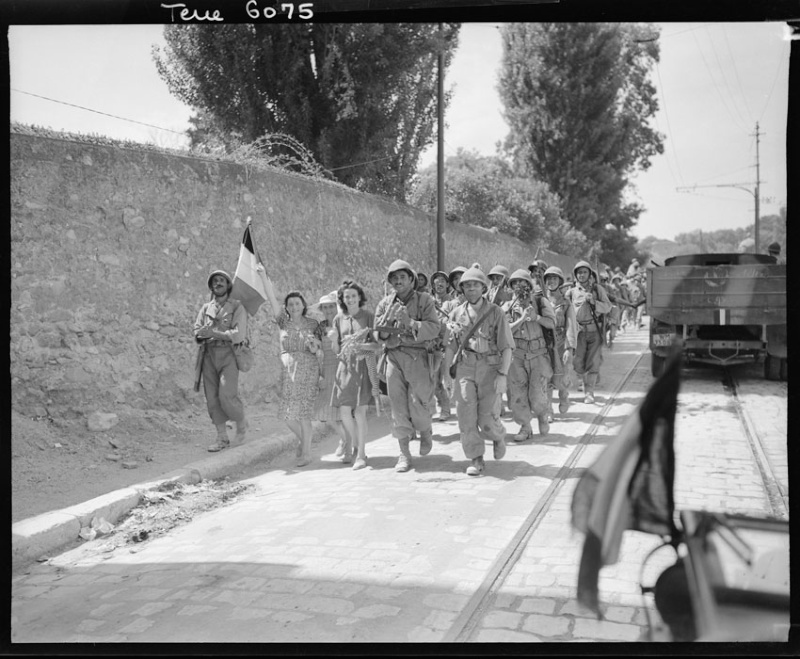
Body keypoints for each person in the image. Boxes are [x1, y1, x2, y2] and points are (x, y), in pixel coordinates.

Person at [442, 267, 514, 476]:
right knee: (465, 415)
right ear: (461, 288)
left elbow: (507, 347)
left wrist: (502, 375)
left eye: (475, 284)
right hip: (465, 366)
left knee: (487, 418)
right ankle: (476, 457)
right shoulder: (456, 313)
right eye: (467, 285)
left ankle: (498, 436)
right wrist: (447, 375)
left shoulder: (496, 312)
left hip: (490, 368)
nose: (471, 288)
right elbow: (450, 347)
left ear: (483, 288)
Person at [374, 260, 442, 472]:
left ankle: (425, 430)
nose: (398, 281)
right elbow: (378, 335)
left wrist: (410, 322)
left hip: (418, 357)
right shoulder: (385, 303)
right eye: (394, 278)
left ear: (412, 279)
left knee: (419, 402)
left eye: (402, 277)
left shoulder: (425, 301)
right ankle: (403, 452)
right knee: (397, 405)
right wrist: (386, 324)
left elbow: (434, 329)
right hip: (394, 357)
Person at [260, 266, 323, 467]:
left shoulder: (314, 324)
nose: (294, 306)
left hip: (308, 371)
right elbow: (271, 299)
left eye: (297, 303)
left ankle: (306, 453)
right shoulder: (283, 323)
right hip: (289, 373)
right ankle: (305, 442)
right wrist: (263, 276)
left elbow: (320, 350)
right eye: (290, 303)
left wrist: (314, 347)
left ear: (303, 305)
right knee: (288, 416)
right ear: (286, 307)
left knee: (303, 414)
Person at [194, 270, 249, 452]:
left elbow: (238, 334)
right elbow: (197, 329)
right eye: (215, 281)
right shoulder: (205, 308)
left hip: (228, 355)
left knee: (227, 395)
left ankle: (241, 424)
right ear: (211, 286)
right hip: (208, 355)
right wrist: (200, 335)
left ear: (228, 285)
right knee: (212, 399)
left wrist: (213, 333)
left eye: (221, 281)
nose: (218, 283)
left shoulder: (236, 307)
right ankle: (221, 437)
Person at [502, 269, 556, 440]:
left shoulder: (540, 302)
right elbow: (504, 330)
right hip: (516, 355)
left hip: (538, 355)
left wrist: (536, 318)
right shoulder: (507, 307)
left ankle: (542, 415)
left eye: (522, 282)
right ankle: (525, 427)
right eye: (515, 283)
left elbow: (552, 323)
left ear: (529, 285)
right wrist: (521, 319)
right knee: (518, 394)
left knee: (537, 394)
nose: (519, 286)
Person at [330, 280, 377, 471]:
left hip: (363, 367)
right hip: (344, 369)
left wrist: (360, 346)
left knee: (359, 412)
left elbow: (377, 345)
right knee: (344, 412)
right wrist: (334, 340)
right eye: (346, 296)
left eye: (353, 296)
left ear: (359, 298)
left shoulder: (368, 316)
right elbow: (336, 350)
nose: (349, 299)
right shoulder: (338, 319)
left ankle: (361, 454)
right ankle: (356, 444)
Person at [564, 261, 612, 404]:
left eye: (585, 272)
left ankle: (589, 392)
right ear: (576, 275)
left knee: (593, 363)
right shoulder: (571, 292)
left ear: (589, 274)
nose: (582, 275)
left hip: (594, 331)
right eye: (579, 272)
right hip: (578, 333)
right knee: (578, 363)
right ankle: (581, 382)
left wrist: (594, 303)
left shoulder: (597, 290)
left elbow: (608, 307)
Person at [314, 291, 352, 464]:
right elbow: (316, 351)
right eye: (325, 307)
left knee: (343, 412)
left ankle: (349, 447)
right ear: (321, 309)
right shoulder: (319, 327)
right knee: (327, 413)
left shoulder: (343, 323)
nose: (328, 310)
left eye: (331, 306)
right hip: (326, 370)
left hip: (342, 368)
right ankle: (344, 439)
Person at [543, 266, 577, 417]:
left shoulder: (566, 303)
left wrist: (569, 349)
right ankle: (548, 409)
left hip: (561, 342)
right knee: (545, 376)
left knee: (562, 375)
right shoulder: (540, 300)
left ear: (560, 281)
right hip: (544, 344)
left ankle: (563, 396)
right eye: (548, 279)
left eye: (554, 278)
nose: (551, 281)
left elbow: (571, 326)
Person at [430, 270, 454, 422]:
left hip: (446, 345)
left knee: (445, 380)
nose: (439, 285)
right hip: (432, 345)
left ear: (447, 284)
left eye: (442, 282)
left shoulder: (451, 302)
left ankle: (446, 409)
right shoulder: (428, 301)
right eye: (436, 282)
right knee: (433, 380)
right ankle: (441, 405)